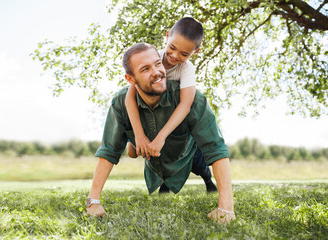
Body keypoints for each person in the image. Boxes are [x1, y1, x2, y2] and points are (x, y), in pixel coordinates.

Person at [85, 43, 236, 224]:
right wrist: (92, 202)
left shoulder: (192, 99)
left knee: (201, 168)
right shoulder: (120, 104)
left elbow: (216, 148)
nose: (157, 72)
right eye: (145, 69)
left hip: (187, 154)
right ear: (131, 79)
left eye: (158, 64)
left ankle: (208, 183)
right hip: (157, 165)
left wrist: (226, 208)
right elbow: (109, 151)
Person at [125, 17, 216, 193]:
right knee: (133, 152)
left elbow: (185, 105)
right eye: (172, 48)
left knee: (194, 161)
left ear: (194, 53)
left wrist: (161, 137)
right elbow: (129, 97)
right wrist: (138, 135)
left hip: (174, 122)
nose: (175, 56)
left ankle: (208, 180)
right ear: (167, 36)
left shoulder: (186, 69)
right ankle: (162, 181)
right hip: (151, 115)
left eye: (184, 54)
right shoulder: (152, 58)